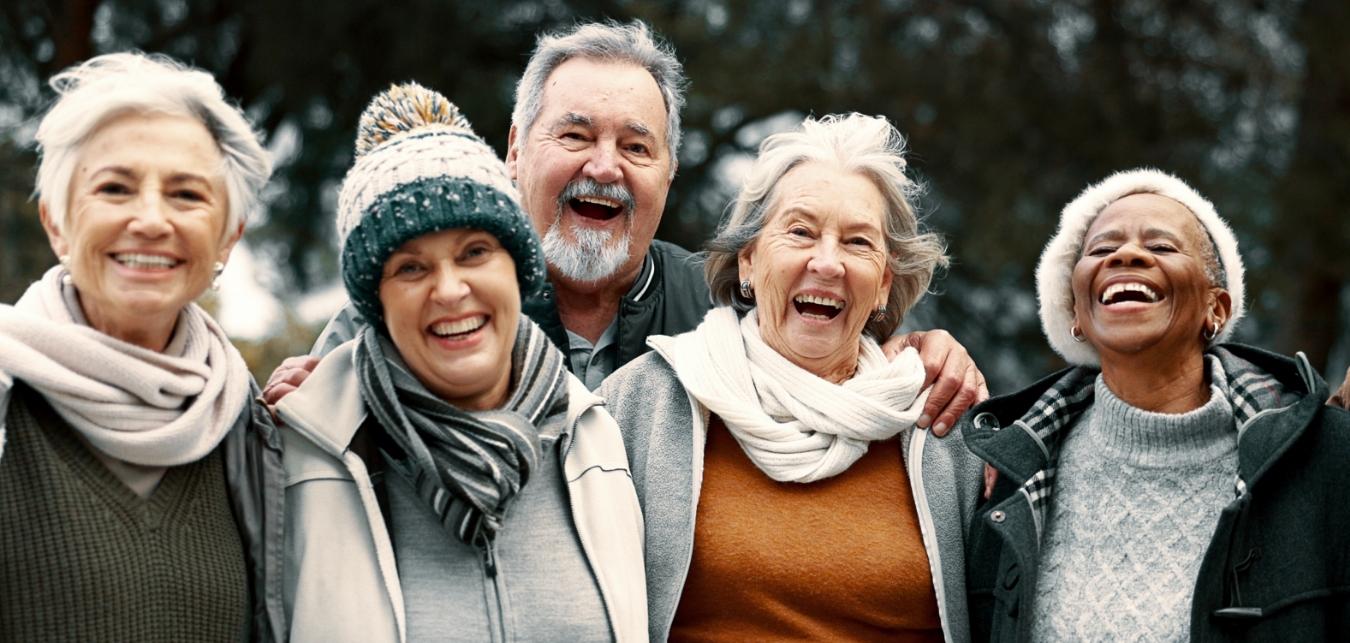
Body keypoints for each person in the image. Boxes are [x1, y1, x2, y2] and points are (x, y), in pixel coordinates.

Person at [266, 20, 985, 435]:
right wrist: (300, 409)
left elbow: (832, 370)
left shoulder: (726, 313)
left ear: (668, 173)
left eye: (637, 147)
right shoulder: (426, 305)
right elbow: (314, 424)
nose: (605, 168)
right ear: (515, 149)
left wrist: (918, 351)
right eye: (575, 135)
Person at [273, 84, 650, 643]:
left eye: (475, 251)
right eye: (411, 267)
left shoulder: (596, 443)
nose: (449, 291)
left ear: (518, 268)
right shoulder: (304, 456)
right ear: (375, 304)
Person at [602, 113, 985, 643]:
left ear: (887, 282)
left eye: (858, 242)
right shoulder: (646, 402)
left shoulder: (940, 420)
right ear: (748, 261)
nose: (827, 262)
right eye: (800, 231)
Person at [961, 169, 1350, 643]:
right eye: (1101, 247)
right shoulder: (1009, 480)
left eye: (1162, 245)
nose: (1128, 253)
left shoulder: (1321, 463)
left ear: (1217, 309)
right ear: (1077, 317)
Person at [0, 53, 285, 643]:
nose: (150, 219)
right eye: (115, 187)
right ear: (58, 223)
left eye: (187, 195)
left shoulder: (259, 441)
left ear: (227, 239)